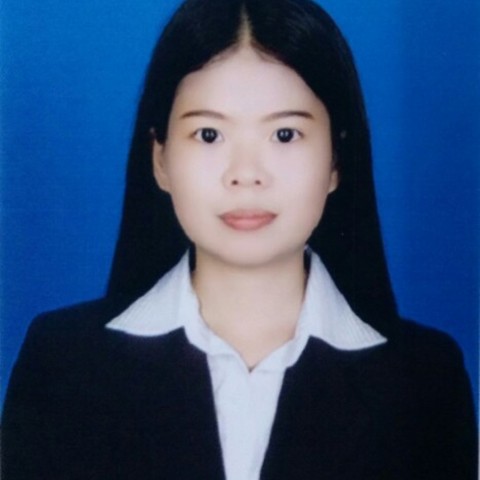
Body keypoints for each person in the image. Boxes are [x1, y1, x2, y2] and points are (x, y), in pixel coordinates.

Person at [2, 0, 477, 478]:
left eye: (285, 135)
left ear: (336, 160)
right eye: (209, 135)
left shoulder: (425, 381)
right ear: (160, 159)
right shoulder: (62, 363)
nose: (246, 174)